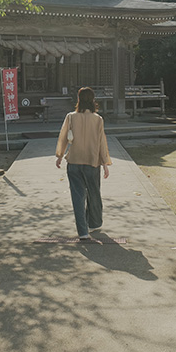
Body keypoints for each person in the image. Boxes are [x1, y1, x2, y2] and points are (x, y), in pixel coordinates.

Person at [55, 87, 112, 241]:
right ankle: (94, 223)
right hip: (92, 162)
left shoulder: (71, 117)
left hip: (74, 160)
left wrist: (60, 155)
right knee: (94, 193)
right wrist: (105, 163)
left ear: (78, 99)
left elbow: (64, 137)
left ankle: (82, 232)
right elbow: (102, 142)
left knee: (77, 196)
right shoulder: (98, 119)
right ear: (93, 100)